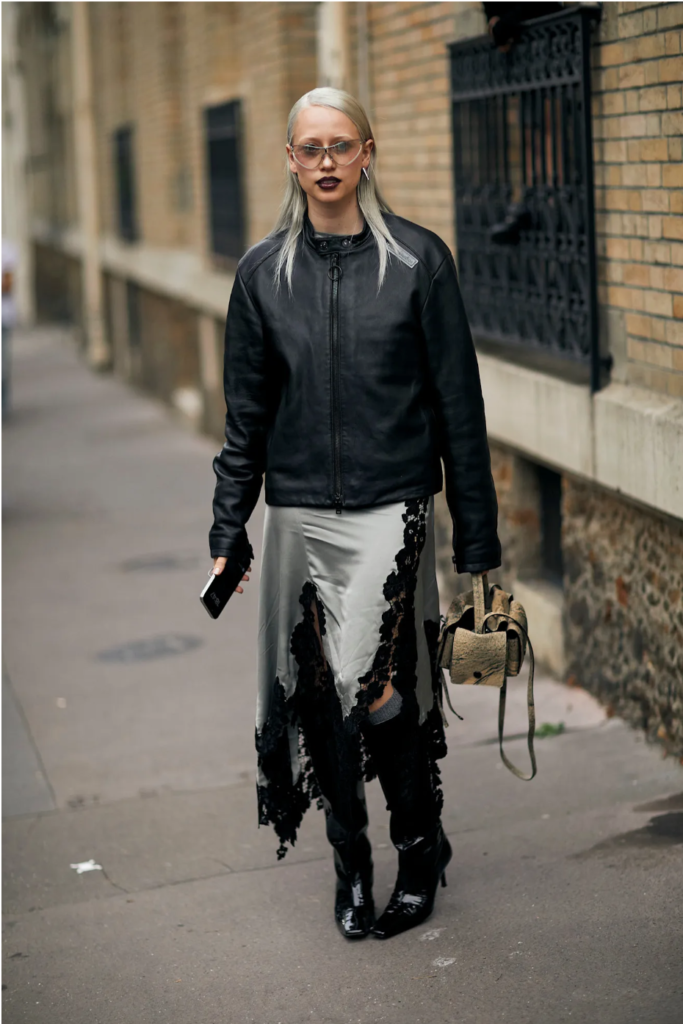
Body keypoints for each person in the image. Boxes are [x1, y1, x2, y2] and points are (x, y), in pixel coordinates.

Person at [208, 87, 501, 941]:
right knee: (316, 693)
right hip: (297, 514)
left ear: (366, 153)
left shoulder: (417, 261)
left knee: (367, 681)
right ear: (290, 161)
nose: (326, 161)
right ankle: (350, 863)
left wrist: (476, 538)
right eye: (311, 148)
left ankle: (415, 847)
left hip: (390, 508)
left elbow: (458, 409)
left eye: (341, 144)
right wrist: (228, 531)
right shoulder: (261, 274)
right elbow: (245, 419)